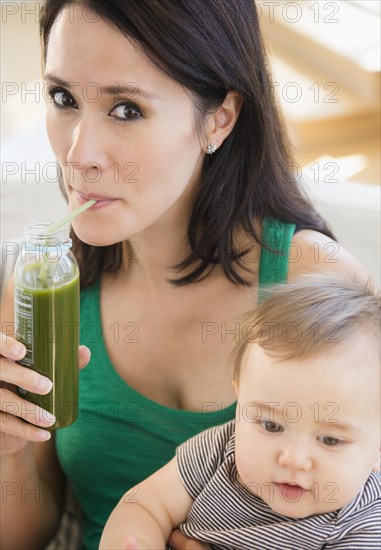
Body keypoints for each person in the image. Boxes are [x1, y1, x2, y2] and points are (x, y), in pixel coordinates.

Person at [0, 1, 370, 549]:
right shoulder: (45, 287)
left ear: (219, 118)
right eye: (63, 98)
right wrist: (8, 450)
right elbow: (24, 537)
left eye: (126, 109)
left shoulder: (317, 283)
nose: (79, 155)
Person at [100, 274, 381, 550]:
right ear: (239, 394)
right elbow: (146, 505)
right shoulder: (221, 450)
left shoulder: (364, 522)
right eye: (271, 426)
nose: (294, 460)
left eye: (330, 440)